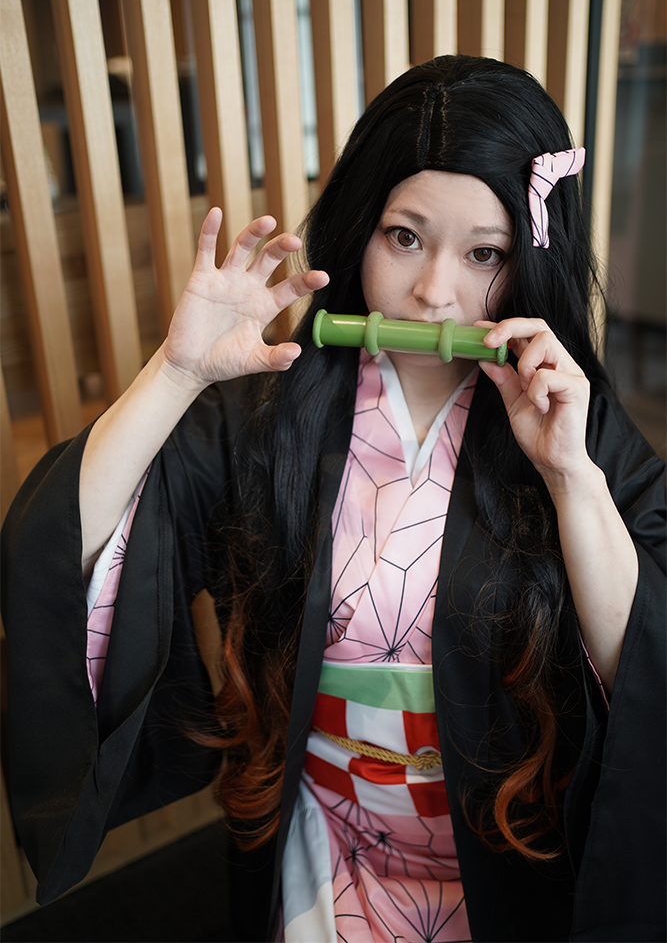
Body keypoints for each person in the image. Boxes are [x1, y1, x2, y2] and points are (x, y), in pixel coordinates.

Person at [1, 55, 667, 943]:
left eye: (484, 253)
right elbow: (59, 554)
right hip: (325, 844)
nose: (434, 292)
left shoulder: (570, 423)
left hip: (511, 863)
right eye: (404, 237)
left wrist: (570, 478)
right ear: (359, 228)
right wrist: (175, 375)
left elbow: (647, 669)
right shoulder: (267, 416)